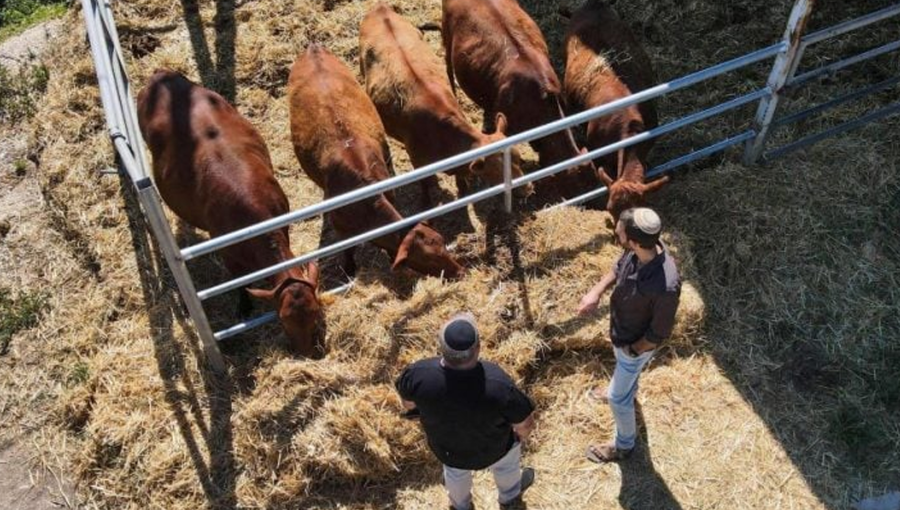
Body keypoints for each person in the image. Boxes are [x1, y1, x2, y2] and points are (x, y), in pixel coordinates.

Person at [396, 313, 536, 510]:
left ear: (441, 348)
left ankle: (461, 506)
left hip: (448, 448)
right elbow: (525, 424)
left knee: (455, 473)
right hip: (495, 448)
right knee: (507, 466)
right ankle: (509, 499)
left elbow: (408, 405)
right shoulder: (498, 384)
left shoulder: (418, 374)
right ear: (478, 348)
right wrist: (520, 436)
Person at [577, 207, 680, 462]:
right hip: (622, 333)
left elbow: (658, 334)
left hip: (635, 344)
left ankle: (623, 445)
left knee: (617, 400)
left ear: (633, 241)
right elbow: (617, 267)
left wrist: (632, 351)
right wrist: (596, 292)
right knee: (624, 380)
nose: (616, 233)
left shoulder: (666, 286)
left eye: (620, 232)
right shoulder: (642, 249)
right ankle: (623, 388)